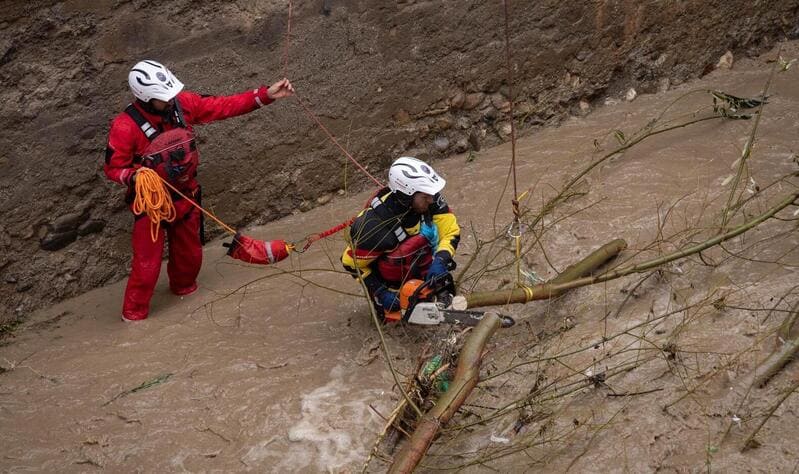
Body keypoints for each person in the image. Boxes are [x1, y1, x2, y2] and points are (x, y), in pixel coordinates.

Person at [104, 60, 294, 322]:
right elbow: (113, 169)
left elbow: (221, 106)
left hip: (186, 196)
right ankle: (133, 315)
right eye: (164, 98)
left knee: (189, 259)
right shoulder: (125, 127)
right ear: (146, 99)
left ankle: (184, 295)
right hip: (152, 205)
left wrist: (264, 96)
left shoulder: (182, 103)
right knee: (146, 266)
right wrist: (135, 176)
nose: (171, 101)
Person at [341, 157, 460, 322]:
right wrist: (380, 292)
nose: (432, 200)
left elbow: (450, 232)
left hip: (427, 270)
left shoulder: (429, 199)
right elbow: (349, 262)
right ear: (406, 195)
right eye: (426, 196)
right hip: (392, 286)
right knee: (397, 328)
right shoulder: (373, 228)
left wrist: (441, 259)